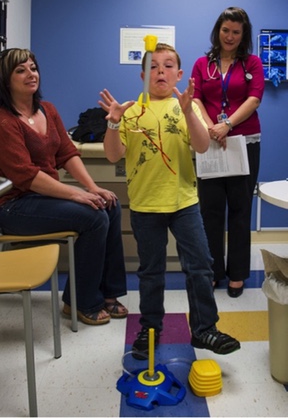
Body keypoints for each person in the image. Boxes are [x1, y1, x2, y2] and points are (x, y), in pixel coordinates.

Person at [98, 43, 240, 359]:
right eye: (153, 66)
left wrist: (190, 110)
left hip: (184, 203)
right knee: (150, 272)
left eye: (167, 66)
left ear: (178, 74)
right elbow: (112, 154)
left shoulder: (187, 107)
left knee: (201, 266)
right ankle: (150, 330)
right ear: (142, 74)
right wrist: (113, 122)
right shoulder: (131, 110)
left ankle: (205, 330)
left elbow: (202, 147)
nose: (160, 71)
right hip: (146, 206)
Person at [0, 48, 128, 325]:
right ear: (5, 79)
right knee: (94, 217)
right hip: (14, 207)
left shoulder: (47, 110)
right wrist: (77, 194)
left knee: (108, 205)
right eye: (20, 70)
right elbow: (26, 176)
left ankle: (109, 295)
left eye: (33, 68)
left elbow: (66, 153)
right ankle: (81, 302)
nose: (31, 74)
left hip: (44, 199)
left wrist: (92, 188)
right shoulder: (1, 122)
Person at [191, 7, 265, 297]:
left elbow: (254, 98)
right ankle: (212, 271)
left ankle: (237, 274)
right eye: (226, 30)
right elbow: (195, 98)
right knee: (209, 211)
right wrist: (211, 128)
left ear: (243, 34)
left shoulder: (253, 63)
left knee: (239, 209)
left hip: (244, 143)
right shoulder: (202, 63)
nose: (230, 36)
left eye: (236, 32)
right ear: (217, 31)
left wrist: (227, 125)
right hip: (208, 142)